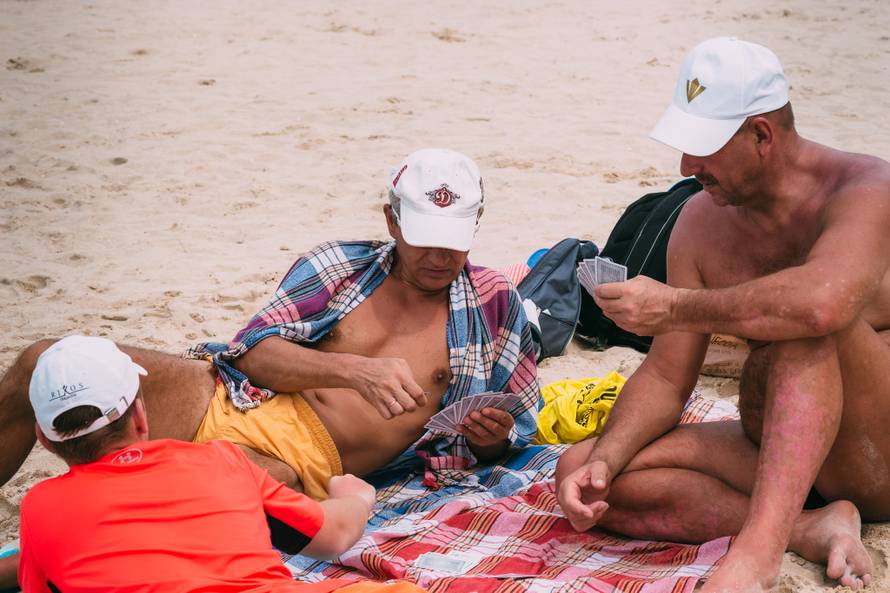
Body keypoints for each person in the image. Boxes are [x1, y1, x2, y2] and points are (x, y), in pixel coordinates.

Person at [0, 148, 540, 500]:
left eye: (454, 238)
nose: (439, 255)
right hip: (221, 395)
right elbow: (249, 352)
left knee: (187, 513)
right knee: (41, 362)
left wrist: (490, 441)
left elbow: (519, 428)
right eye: (424, 235)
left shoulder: (495, 306)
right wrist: (353, 370)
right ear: (391, 219)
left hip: (296, 464)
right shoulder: (339, 264)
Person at [556, 37, 890, 593]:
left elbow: (819, 305)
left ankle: (758, 553)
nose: (687, 166)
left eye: (704, 147)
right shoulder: (698, 221)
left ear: (761, 135)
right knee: (585, 475)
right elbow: (666, 377)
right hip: (782, 445)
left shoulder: (864, 190)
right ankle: (808, 527)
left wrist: (673, 306)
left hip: (880, 452)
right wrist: (607, 460)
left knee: (800, 320)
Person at [17, 335, 425, 593]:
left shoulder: (39, 507)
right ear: (140, 417)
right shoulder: (219, 460)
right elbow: (333, 535)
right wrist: (355, 498)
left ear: (44, 440)